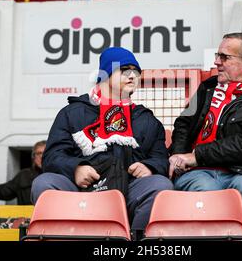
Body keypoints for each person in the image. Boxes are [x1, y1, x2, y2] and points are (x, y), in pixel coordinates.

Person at [31, 47, 172, 233]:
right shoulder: (72, 112)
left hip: (128, 189)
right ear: (105, 74)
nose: (132, 76)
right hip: (80, 189)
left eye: (136, 71)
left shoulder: (145, 118)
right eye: (124, 70)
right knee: (43, 183)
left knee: (161, 186)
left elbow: (161, 157)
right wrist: (76, 168)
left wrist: (149, 166)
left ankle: (132, 244)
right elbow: (52, 157)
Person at [168, 33, 242, 230]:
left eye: (224, 57)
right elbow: (183, 123)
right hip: (199, 172)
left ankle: (241, 236)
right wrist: (177, 155)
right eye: (217, 56)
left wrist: (198, 155)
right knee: (206, 189)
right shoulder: (207, 87)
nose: (217, 62)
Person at [0, 140, 45, 205]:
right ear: (33, 157)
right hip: (26, 215)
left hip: (51, 215)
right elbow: (5, 192)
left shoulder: (54, 174)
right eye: (39, 153)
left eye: (44, 153)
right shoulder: (23, 175)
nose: (41, 156)